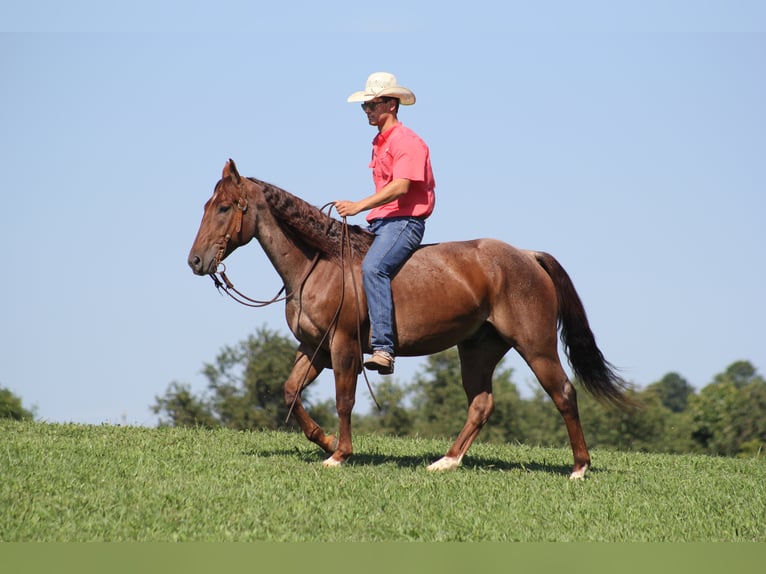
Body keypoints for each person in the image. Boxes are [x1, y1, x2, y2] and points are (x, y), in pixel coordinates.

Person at [334, 72, 436, 375]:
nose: (367, 111)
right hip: (382, 223)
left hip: (404, 222)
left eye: (372, 105)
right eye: (364, 107)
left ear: (391, 104)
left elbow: (401, 187)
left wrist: (358, 206)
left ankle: (383, 348)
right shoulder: (380, 142)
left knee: (373, 268)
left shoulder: (407, 141)